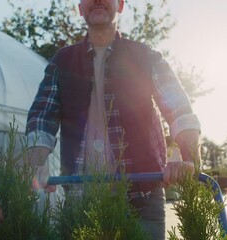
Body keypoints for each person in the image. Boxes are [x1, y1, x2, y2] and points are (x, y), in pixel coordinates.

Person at [25, 0, 201, 239]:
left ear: (120, 5)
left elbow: (179, 109)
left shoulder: (145, 57)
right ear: (80, 8)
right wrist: (36, 163)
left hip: (142, 198)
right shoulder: (61, 61)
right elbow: (42, 115)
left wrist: (188, 159)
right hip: (80, 202)